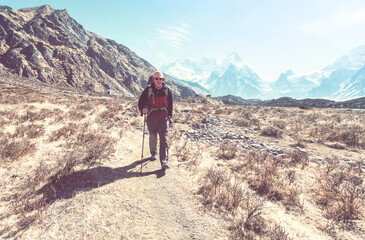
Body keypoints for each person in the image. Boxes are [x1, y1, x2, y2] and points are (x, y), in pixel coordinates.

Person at [138, 71, 173, 170]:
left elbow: (170, 105)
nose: (158, 81)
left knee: (164, 137)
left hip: (163, 115)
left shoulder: (167, 90)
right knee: (153, 135)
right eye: (156, 79)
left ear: (163, 80)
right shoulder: (148, 90)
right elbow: (140, 102)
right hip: (152, 115)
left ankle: (164, 161)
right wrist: (142, 109)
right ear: (153, 80)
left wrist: (170, 117)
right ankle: (153, 153)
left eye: (160, 79)